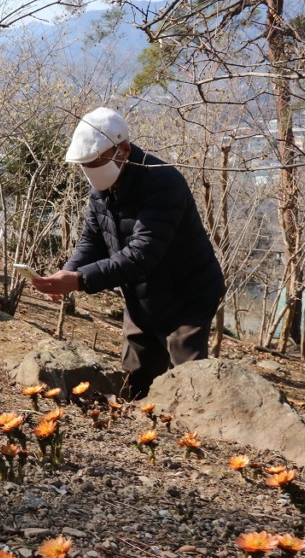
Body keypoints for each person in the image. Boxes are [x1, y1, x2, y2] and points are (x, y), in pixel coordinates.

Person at [31, 107, 225, 399]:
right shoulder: (102, 189)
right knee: (134, 380)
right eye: (85, 164)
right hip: (141, 295)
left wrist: (81, 280)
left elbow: (142, 253)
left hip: (188, 296)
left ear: (122, 149)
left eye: (95, 161)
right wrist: (67, 272)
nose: (91, 169)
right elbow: (92, 240)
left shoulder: (163, 182)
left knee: (187, 383)